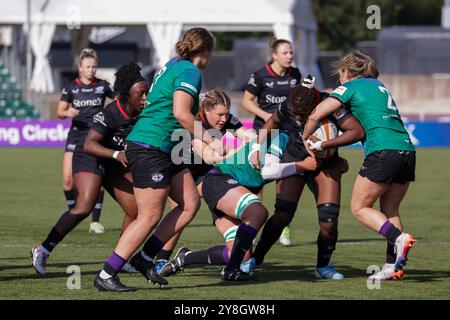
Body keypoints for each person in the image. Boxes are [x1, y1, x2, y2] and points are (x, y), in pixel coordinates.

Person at [93, 27, 219, 292]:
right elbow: (182, 114)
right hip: (150, 145)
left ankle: (145, 257)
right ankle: (107, 273)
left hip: (164, 145)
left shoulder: (175, 63)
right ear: (206, 51)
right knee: (149, 215)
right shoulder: (190, 71)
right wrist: (211, 139)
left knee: (189, 204)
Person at [302, 51, 416, 282]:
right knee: (390, 209)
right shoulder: (378, 85)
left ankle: (398, 238)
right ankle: (391, 266)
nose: (339, 79)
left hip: (382, 150)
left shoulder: (351, 86)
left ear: (347, 71)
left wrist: (305, 138)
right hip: (407, 151)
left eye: (340, 73)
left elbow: (317, 113)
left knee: (359, 207)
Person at [160, 122, 320, 281]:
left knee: (240, 254)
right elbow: (267, 171)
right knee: (258, 212)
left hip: (232, 190)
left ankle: (185, 258)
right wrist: (301, 166)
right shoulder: (281, 136)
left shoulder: (293, 143)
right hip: (221, 180)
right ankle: (231, 270)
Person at [31, 61, 149, 275]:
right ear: (127, 94)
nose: (145, 98)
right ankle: (43, 249)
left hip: (113, 162)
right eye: (141, 94)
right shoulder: (110, 113)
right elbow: (89, 144)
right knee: (84, 207)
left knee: (136, 211)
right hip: (89, 156)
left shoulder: (142, 114)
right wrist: (116, 154)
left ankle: (119, 259)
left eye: (146, 93)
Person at [247, 75, 365, 279]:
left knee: (329, 219)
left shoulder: (330, 103)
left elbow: (357, 131)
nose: (298, 119)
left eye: (303, 116)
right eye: (295, 116)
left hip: (325, 163)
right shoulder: (291, 101)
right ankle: (255, 259)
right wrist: (257, 147)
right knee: (283, 214)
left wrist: (326, 145)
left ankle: (323, 266)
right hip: (295, 158)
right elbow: (272, 121)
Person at [153, 89, 256, 272]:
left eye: (226, 113)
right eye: (220, 114)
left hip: (207, 173)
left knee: (227, 200)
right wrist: (240, 152)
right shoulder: (194, 122)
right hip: (180, 171)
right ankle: (160, 258)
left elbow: (250, 136)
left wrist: (253, 144)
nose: (224, 119)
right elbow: (209, 156)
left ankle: (241, 254)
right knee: (181, 211)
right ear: (206, 110)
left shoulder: (228, 120)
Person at [242, 37, 302, 246]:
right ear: (274, 55)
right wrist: (267, 116)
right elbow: (246, 101)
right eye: (285, 53)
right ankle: (251, 224)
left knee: (283, 177)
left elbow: (299, 100)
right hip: (264, 133)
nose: (289, 56)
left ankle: (282, 226)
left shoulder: (295, 75)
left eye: (291, 52)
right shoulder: (260, 75)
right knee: (256, 179)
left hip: (288, 133)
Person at [56, 48, 115, 234]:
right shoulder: (71, 87)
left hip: (96, 136)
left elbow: (119, 102)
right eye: (87, 67)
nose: (91, 70)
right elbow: (60, 111)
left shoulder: (103, 85)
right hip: (76, 135)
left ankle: (95, 221)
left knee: (97, 178)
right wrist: (67, 113)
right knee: (67, 179)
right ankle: (73, 212)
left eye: (94, 67)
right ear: (80, 68)